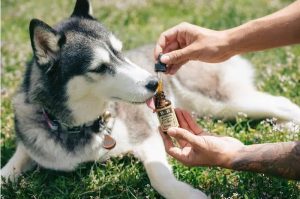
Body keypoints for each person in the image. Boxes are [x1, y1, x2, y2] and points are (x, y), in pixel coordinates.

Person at [155, 0, 300, 180]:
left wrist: (232, 155)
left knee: (229, 104)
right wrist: (224, 41)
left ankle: (287, 111)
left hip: (199, 77)